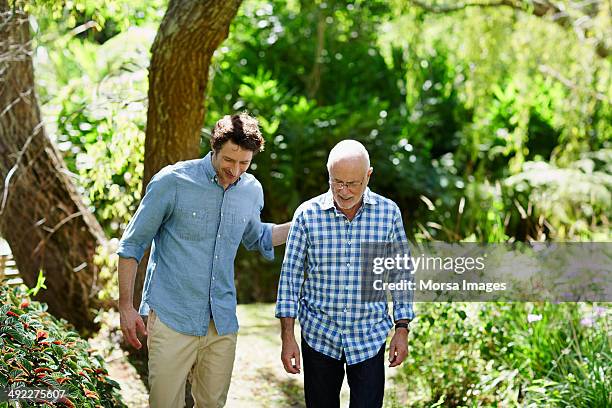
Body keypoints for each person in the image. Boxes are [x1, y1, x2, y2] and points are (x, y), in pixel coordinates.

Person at [117, 113, 290, 408]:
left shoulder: (251, 190)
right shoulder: (172, 181)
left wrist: (300, 227)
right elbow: (132, 245)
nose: (235, 170)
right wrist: (125, 307)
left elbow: (256, 237)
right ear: (214, 149)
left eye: (244, 163)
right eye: (228, 161)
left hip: (221, 322)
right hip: (173, 316)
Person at [275, 140, 414, 408]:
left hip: (369, 335)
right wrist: (288, 337)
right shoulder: (307, 214)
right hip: (319, 335)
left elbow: (401, 273)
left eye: (353, 183)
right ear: (328, 175)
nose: (345, 191)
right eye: (337, 182)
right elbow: (289, 278)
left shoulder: (389, 213)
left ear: (368, 175)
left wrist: (402, 328)